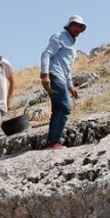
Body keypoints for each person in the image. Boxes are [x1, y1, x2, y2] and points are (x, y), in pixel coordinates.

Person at [40, 15, 86, 149]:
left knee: (59, 109)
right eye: (75, 25)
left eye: (80, 26)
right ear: (69, 25)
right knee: (65, 106)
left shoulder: (72, 44)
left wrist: (70, 86)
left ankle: (52, 142)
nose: (77, 28)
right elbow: (46, 54)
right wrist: (45, 75)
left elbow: (67, 67)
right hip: (54, 75)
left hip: (61, 76)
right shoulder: (59, 37)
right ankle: (54, 142)